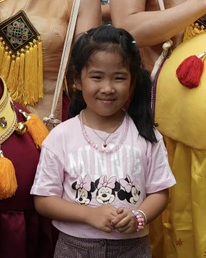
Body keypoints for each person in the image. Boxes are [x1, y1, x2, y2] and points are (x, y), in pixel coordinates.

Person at [31, 26, 174, 258]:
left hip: (133, 249)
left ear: (132, 81)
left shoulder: (146, 135)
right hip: (74, 248)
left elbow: (160, 192)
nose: (107, 88)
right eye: (97, 77)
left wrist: (139, 217)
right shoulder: (61, 136)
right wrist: (89, 214)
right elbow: (44, 200)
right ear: (78, 79)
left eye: (119, 78)